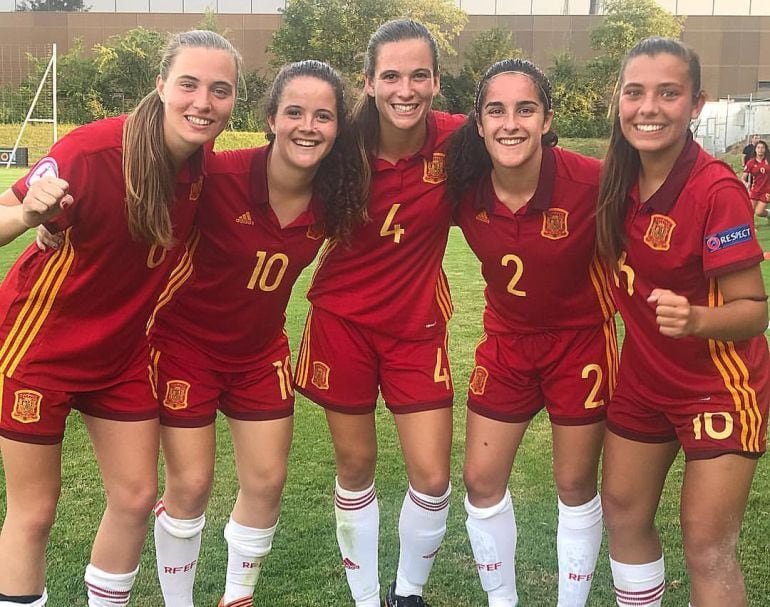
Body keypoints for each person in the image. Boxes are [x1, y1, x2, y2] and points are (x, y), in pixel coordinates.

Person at [0, 30, 240, 607]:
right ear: (160, 86)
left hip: (123, 355)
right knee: (34, 510)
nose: (202, 102)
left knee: (135, 498)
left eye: (220, 90)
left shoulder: (203, 171)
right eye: (188, 84)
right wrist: (31, 213)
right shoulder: (92, 151)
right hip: (39, 349)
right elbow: (11, 212)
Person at [147, 60, 368, 607]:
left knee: (267, 483)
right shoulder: (217, 178)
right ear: (270, 117)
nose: (308, 126)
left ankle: (236, 597)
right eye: (294, 112)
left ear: (338, 127)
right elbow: (139, 207)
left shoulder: (335, 196)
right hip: (185, 347)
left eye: (323, 115)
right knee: (191, 485)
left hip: (259, 353)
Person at [293, 18, 465, 607]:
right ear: (367, 83)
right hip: (342, 324)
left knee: (433, 476)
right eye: (391, 75)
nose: (405, 89)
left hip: (418, 328)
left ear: (437, 82)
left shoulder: (460, 140)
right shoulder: (340, 145)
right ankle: (367, 597)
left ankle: (408, 593)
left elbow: (539, 165)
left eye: (419, 75)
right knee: (357, 464)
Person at [595, 37, 769, 607]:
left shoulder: (717, 189)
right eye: (635, 92)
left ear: (696, 104)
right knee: (621, 514)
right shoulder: (615, 181)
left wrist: (695, 318)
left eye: (668, 93)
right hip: (644, 381)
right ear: (618, 101)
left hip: (718, 388)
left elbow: (754, 312)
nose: (649, 107)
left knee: (707, 547)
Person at [445, 59, 617, 607]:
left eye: (525, 109)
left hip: (581, 342)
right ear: (478, 122)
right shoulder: (463, 189)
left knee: (574, 484)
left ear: (546, 119)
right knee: (480, 480)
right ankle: (503, 600)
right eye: (496, 110)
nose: (510, 123)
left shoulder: (591, 182)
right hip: (507, 344)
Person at [742, 139, 770, 217]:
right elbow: (743, 178)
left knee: (759, 212)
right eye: (758, 147)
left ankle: (768, 213)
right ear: (755, 149)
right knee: (750, 210)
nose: (760, 150)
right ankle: (752, 227)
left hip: (767, 190)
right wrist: (746, 185)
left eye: (762, 148)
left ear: (765, 149)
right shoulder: (751, 162)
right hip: (755, 190)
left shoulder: (768, 161)